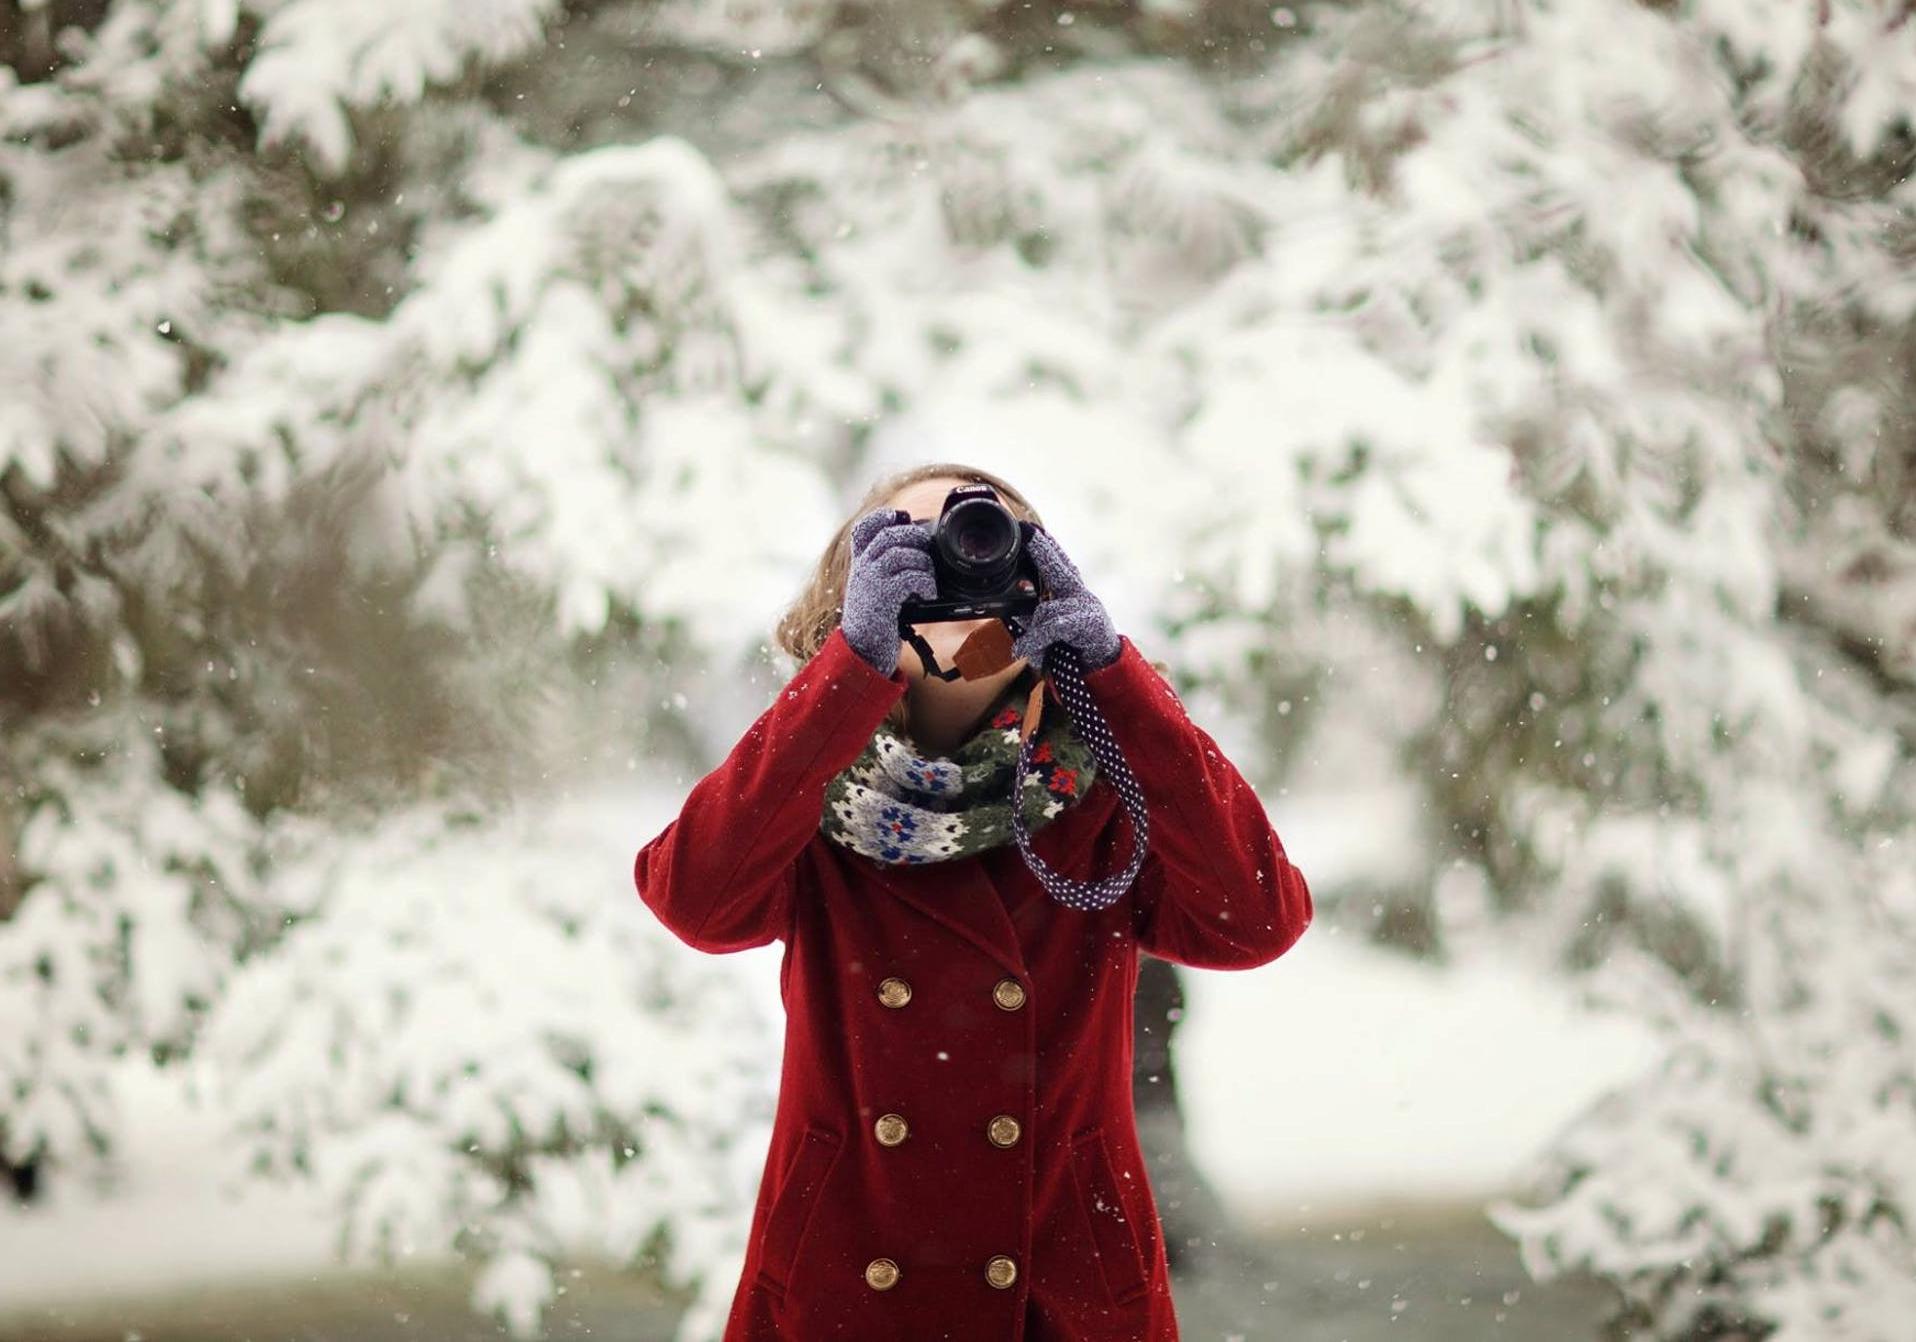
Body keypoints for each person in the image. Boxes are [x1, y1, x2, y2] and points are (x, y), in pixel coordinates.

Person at [633, 462, 1312, 1341]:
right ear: (850, 593)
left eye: (982, 537)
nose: (950, 565)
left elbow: (1258, 921)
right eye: (906, 549)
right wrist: (853, 670)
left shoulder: (1105, 782)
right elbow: (696, 901)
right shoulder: (801, 783)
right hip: (843, 1288)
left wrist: (1110, 671)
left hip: (1061, 1293)